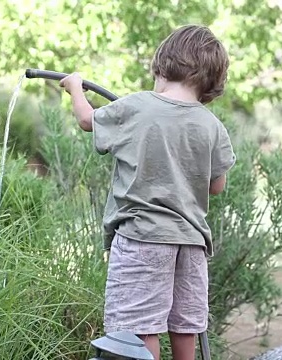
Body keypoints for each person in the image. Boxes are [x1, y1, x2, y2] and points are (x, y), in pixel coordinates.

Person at [59, 24, 236, 360]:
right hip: (191, 242)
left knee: (141, 328)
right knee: (185, 325)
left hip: (143, 238)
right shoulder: (212, 125)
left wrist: (75, 87)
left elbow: (87, 120)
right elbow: (217, 185)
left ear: (163, 66)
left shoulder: (139, 106)